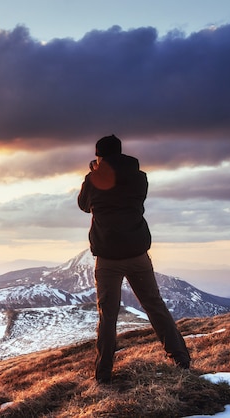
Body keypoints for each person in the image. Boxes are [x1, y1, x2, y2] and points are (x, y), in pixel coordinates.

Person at [78, 134, 190, 384]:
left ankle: (103, 374)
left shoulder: (94, 180)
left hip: (108, 259)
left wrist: (93, 173)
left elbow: (84, 205)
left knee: (108, 315)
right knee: (154, 305)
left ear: (100, 156)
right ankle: (181, 359)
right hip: (138, 254)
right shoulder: (140, 179)